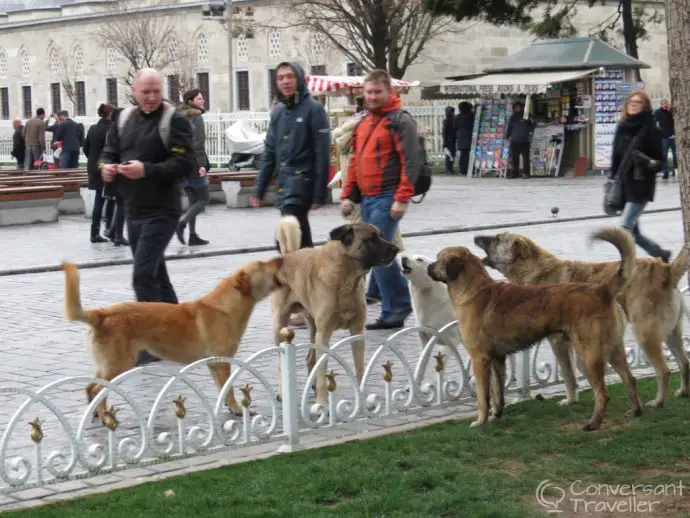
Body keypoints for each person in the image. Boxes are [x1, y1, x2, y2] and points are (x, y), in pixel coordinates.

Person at [100, 68, 196, 365]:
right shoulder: (124, 118)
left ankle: (150, 342)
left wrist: (147, 170)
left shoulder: (174, 120)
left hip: (163, 209)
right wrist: (106, 168)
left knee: (142, 274)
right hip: (133, 208)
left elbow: (184, 163)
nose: (152, 97)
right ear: (134, 91)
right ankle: (185, 333)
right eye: (146, 92)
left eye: (157, 91)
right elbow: (108, 151)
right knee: (156, 274)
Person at [249, 62, 331, 328]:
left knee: (285, 242)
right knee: (301, 247)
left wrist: (320, 192)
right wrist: (259, 188)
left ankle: (302, 300)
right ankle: (312, 300)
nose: (285, 81)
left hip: (302, 184)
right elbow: (270, 152)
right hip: (285, 185)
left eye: (289, 76)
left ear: (299, 79)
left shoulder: (314, 110)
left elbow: (322, 153)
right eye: (280, 77)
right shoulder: (280, 111)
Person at [340, 69, 416, 330]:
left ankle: (397, 305)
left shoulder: (399, 120)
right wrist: (348, 194)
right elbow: (354, 163)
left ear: (389, 92)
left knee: (377, 252)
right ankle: (386, 298)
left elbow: (410, 161)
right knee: (376, 251)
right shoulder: (365, 122)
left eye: (377, 92)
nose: (372, 96)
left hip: (387, 196)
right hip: (369, 198)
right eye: (368, 92)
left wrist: (402, 197)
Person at [611, 91, 671, 263]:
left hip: (641, 185)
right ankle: (661, 255)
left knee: (624, 228)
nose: (633, 104)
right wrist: (612, 178)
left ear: (645, 106)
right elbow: (616, 156)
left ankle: (627, 264)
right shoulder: (623, 126)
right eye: (631, 101)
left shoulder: (651, 128)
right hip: (624, 185)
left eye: (638, 102)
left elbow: (660, 162)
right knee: (634, 232)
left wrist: (644, 161)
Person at [84, 103, 127, 245]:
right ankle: (109, 229)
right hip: (107, 167)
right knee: (110, 199)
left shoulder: (93, 128)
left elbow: (86, 148)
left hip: (94, 167)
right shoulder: (112, 129)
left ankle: (94, 232)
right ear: (110, 114)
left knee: (99, 200)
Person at [176, 88, 210, 246]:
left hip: (181, 164)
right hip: (195, 164)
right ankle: (182, 225)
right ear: (191, 101)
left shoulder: (177, 116)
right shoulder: (196, 117)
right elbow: (198, 143)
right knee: (203, 199)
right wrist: (202, 164)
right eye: (199, 99)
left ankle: (192, 235)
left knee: (193, 201)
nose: (202, 101)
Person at [505, 101, 534, 179]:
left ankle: (526, 173)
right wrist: (507, 136)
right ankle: (515, 173)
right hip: (515, 140)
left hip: (524, 140)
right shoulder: (512, 116)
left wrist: (528, 130)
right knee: (514, 158)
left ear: (522, 107)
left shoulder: (527, 115)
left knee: (526, 158)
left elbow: (533, 125)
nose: (517, 108)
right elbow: (509, 128)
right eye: (516, 107)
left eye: (519, 107)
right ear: (514, 108)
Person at [654, 99, 677, 180]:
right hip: (664, 137)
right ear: (661, 105)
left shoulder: (672, 111)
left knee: (676, 155)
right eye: (663, 104)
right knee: (664, 156)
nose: (665, 105)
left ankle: (675, 170)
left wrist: (671, 110)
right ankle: (665, 172)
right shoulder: (657, 112)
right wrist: (660, 132)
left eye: (666, 103)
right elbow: (654, 123)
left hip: (674, 136)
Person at [455, 102, 475, 176]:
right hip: (469, 137)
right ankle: (469, 169)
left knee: (463, 155)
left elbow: (455, 126)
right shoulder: (471, 116)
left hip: (460, 138)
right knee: (469, 155)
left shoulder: (457, 117)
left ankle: (462, 169)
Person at [442, 106, 456, 175]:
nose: (454, 114)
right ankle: (448, 169)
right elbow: (444, 133)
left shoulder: (453, 120)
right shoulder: (447, 121)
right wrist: (445, 144)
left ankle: (450, 168)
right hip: (448, 141)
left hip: (452, 141)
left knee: (452, 155)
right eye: (453, 112)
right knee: (449, 155)